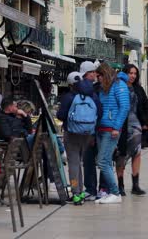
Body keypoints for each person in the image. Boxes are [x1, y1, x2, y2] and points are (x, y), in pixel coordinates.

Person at [57, 70, 101, 205]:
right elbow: (100, 111)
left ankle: (76, 193)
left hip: (72, 134)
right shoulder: (92, 95)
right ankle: (81, 190)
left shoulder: (69, 97)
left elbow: (60, 116)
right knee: (81, 163)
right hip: (88, 134)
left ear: (70, 84)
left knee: (73, 164)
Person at [95, 63, 130, 204]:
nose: (98, 79)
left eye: (99, 76)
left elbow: (124, 107)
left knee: (102, 161)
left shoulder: (119, 85)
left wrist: (116, 127)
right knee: (106, 162)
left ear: (105, 74)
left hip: (111, 129)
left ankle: (115, 193)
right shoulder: (105, 88)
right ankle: (110, 191)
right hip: (102, 128)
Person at [116, 64, 148, 196]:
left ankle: (135, 185)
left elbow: (147, 106)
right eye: (130, 73)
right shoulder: (118, 87)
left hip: (136, 125)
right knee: (121, 154)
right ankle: (120, 185)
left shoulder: (138, 89)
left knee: (136, 153)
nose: (132, 76)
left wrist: (146, 123)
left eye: (135, 73)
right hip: (120, 125)